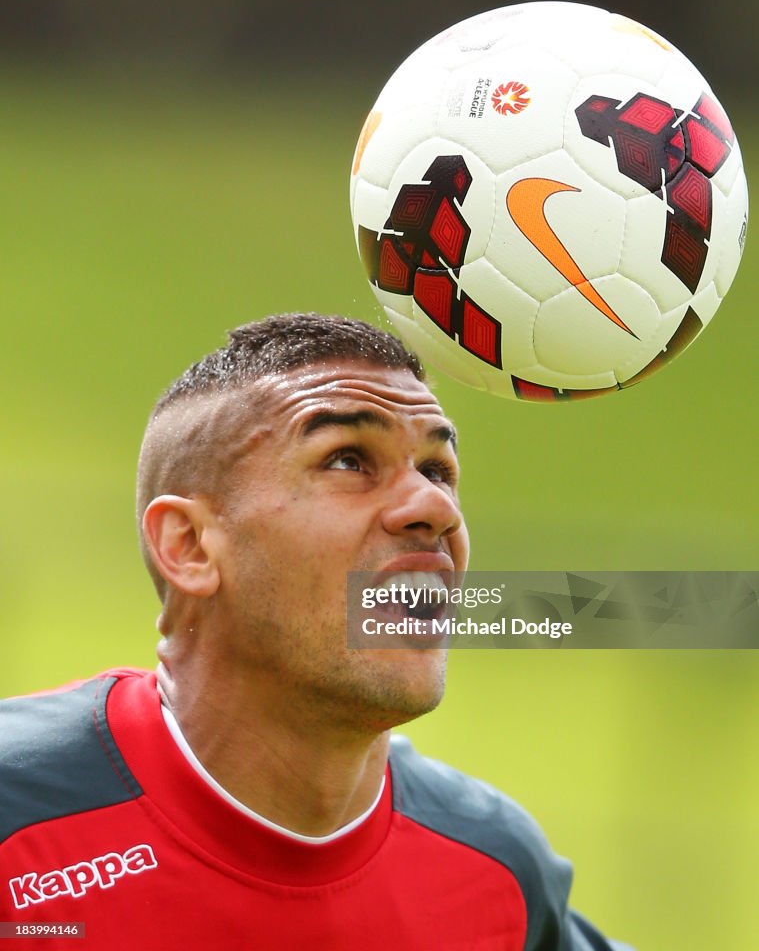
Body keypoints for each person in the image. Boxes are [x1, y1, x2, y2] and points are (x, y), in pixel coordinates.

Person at [0, 313, 634, 950]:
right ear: (189, 545)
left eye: (437, 471)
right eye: (349, 460)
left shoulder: (495, 871)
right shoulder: (17, 826)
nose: (436, 509)